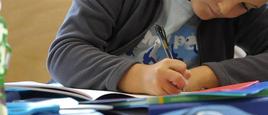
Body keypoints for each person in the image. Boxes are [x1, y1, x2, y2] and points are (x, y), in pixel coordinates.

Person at [47, 0, 268, 96]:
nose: (225, 7)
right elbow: (65, 53)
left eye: (245, 5)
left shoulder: (243, 12)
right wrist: (143, 77)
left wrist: (208, 76)